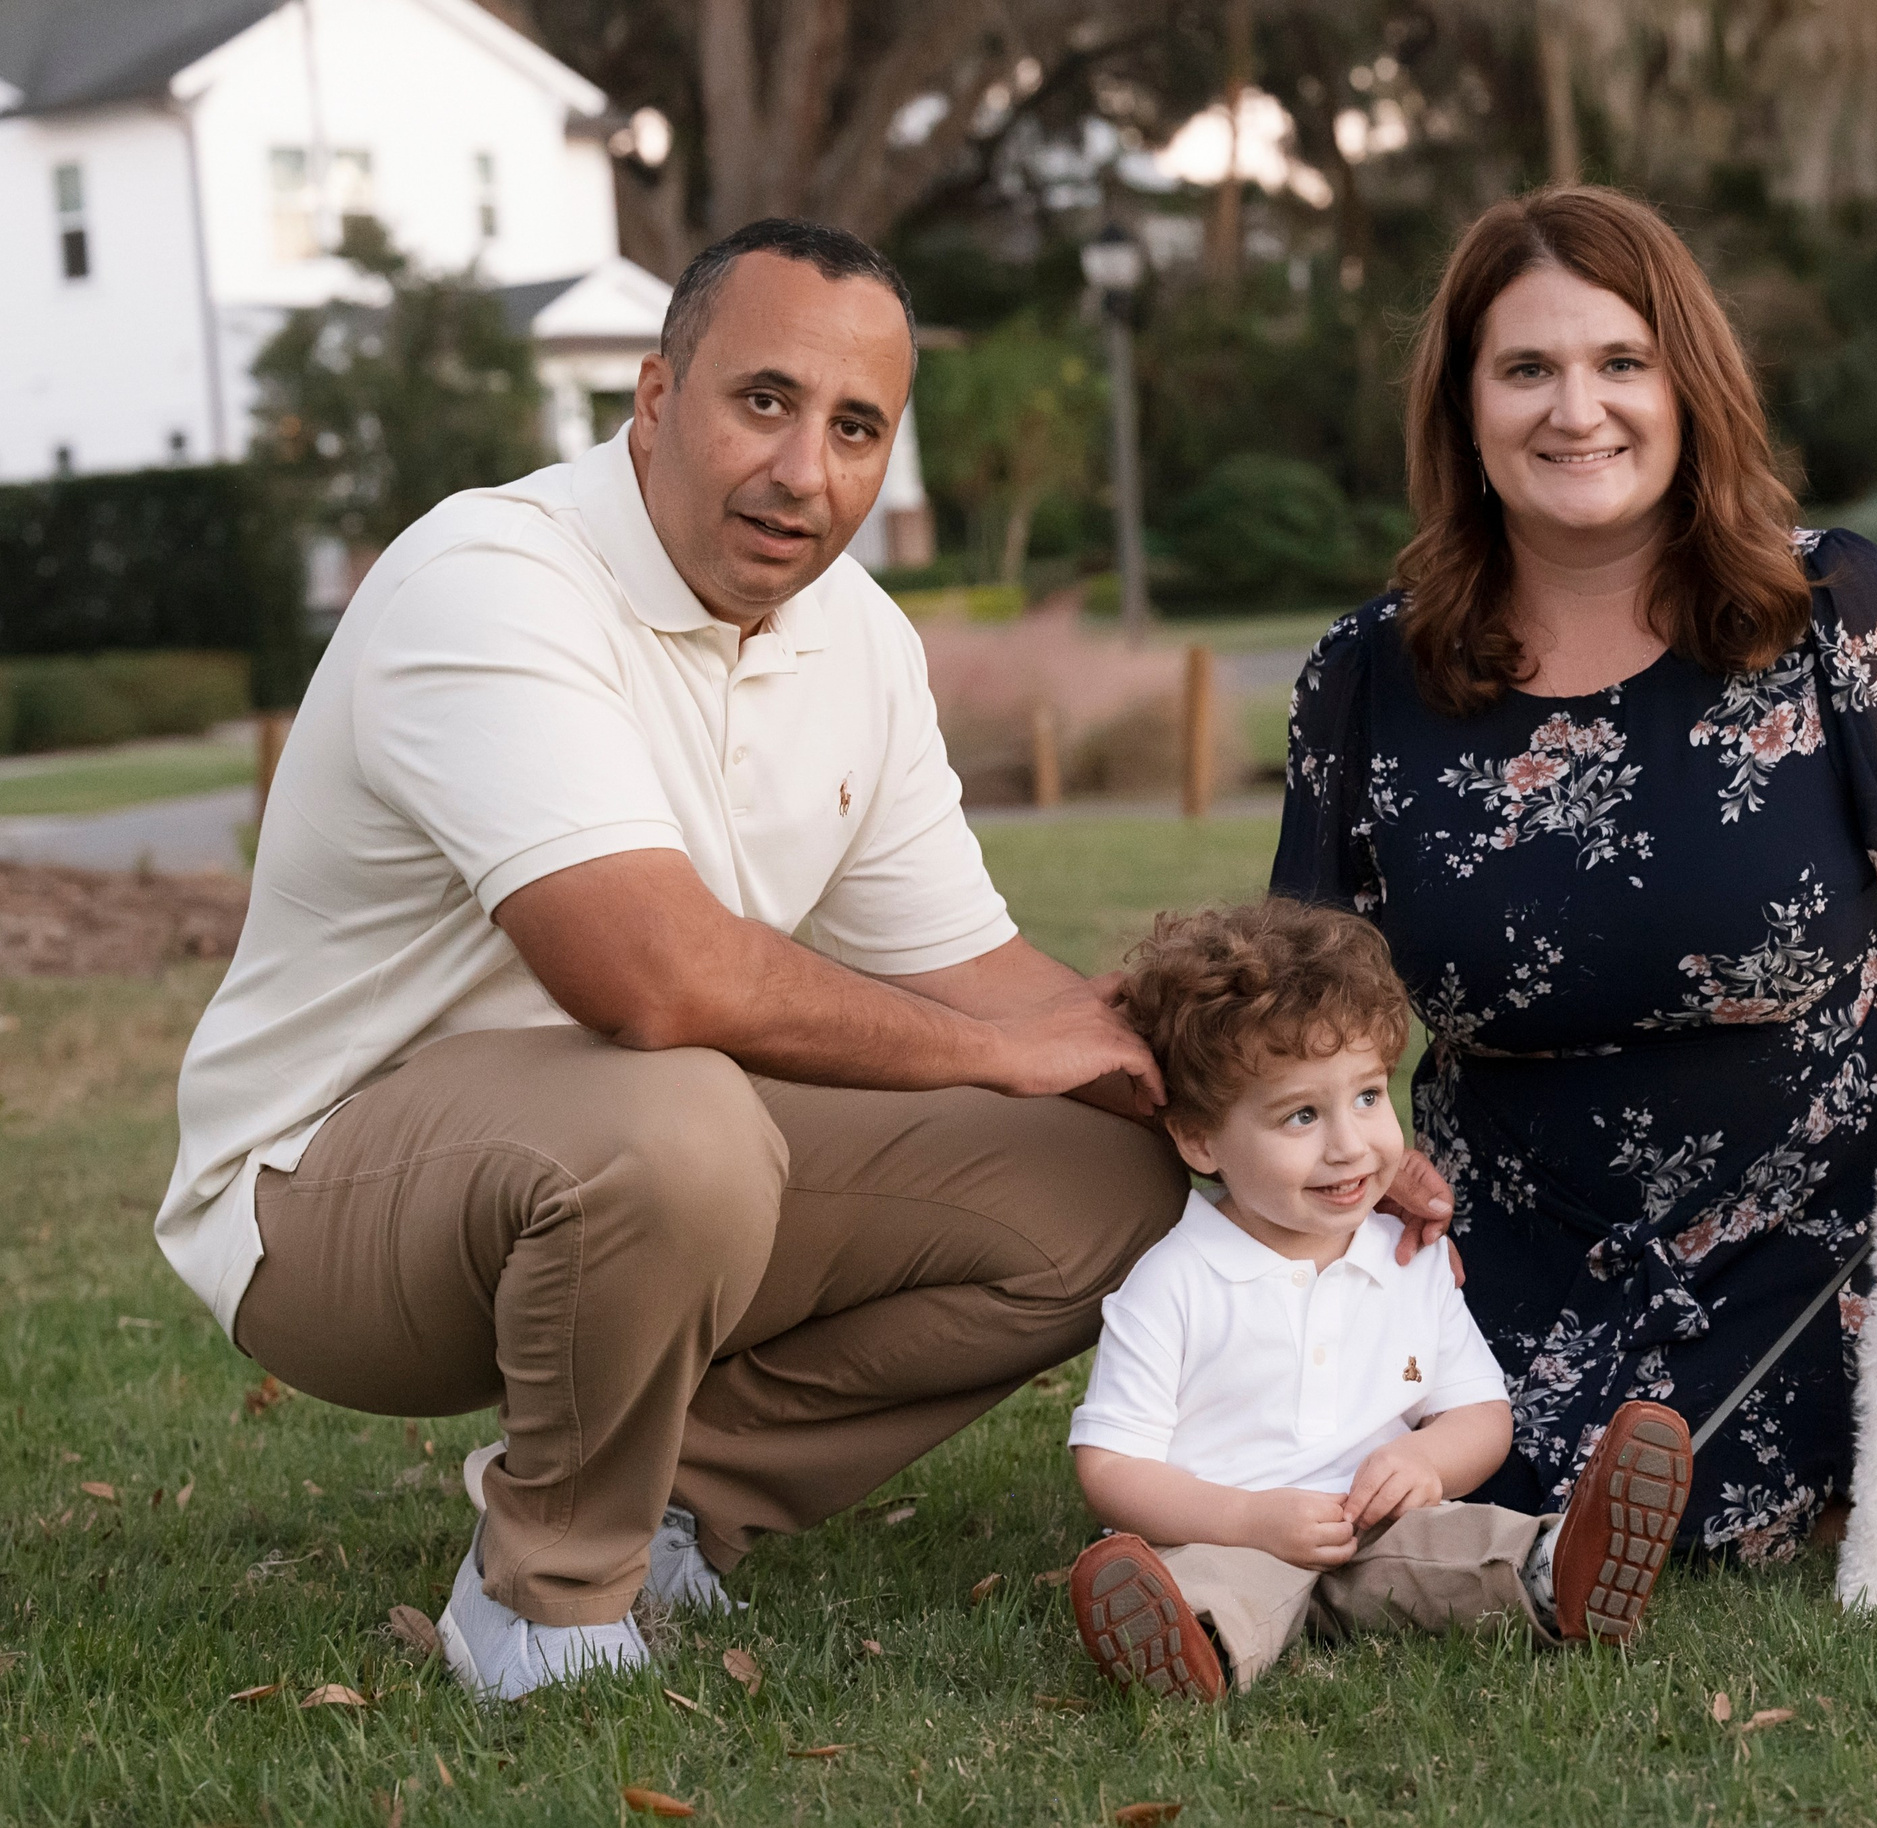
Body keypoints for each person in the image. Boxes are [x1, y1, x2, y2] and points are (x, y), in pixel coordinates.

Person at [157, 219, 1215, 1702]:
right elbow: (644, 976)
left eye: (857, 427)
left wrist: (1276, 1130)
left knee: (1106, 1184)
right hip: (325, 1198)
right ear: (655, 399)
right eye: (763, 402)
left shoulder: (856, 637)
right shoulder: (490, 579)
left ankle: (668, 1503)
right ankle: (545, 1603)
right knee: (682, 1116)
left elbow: (989, 982)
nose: (805, 471)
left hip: (630, 1159)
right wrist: (994, 1054)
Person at [1271, 185, 1877, 1561]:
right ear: (1465, 411)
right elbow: (1303, 1012)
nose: (1574, 410)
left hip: (1842, 1234)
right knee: (1378, 1481)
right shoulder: (1365, 676)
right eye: (1526, 369)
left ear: (1689, 388)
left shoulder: (1836, 609)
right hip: (1505, 1251)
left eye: (1619, 363)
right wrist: (1372, 1158)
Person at [1064, 899, 1693, 1700]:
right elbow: (1111, 1468)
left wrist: (1425, 1460)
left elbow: (1480, 1414)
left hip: (1377, 1528)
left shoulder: (1409, 1257)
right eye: (1301, 1114)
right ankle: (1187, 1647)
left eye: (1367, 1096)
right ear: (1199, 1140)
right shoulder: (1174, 1281)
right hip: (1224, 1532)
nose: (1351, 1144)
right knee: (1219, 1587)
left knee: (1461, 1546)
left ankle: (1561, 1571)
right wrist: (1250, 1522)